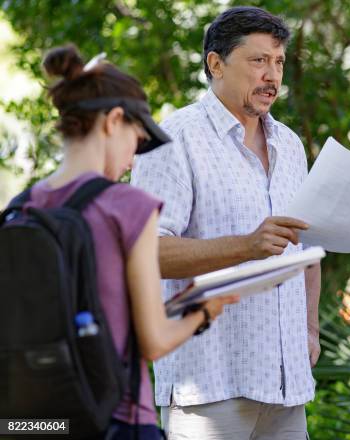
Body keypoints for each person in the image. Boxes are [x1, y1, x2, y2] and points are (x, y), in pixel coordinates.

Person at [28, 45, 238, 439]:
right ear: (113, 121)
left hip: (33, 420)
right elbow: (154, 340)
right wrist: (205, 310)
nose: (132, 159)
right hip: (114, 419)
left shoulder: (23, 206)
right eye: (136, 141)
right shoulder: (126, 206)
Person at [130, 6, 321, 439]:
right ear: (215, 64)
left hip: (287, 387)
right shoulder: (173, 140)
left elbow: (308, 249)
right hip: (209, 388)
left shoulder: (290, 145)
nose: (272, 75)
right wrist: (247, 245)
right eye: (258, 61)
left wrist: (309, 329)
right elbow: (146, 253)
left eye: (279, 62)